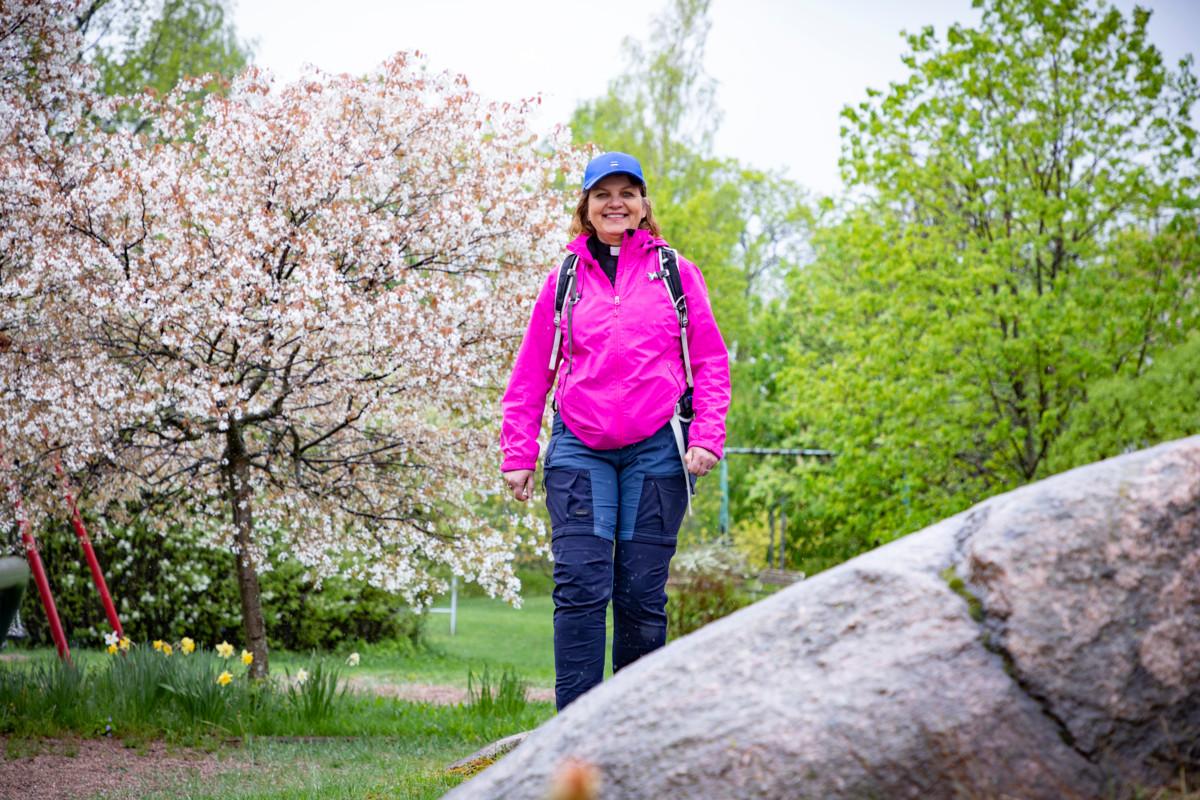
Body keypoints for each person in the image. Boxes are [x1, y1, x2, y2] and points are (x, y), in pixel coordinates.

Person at [500, 151, 730, 711]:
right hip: (580, 447)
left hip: (657, 449)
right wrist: (518, 452)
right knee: (580, 587)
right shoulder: (565, 279)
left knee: (640, 596)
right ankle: (572, 734)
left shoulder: (675, 272)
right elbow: (533, 370)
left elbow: (710, 360)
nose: (615, 202)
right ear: (586, 206)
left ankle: (633, 729)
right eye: (603, 193)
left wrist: (707, 434)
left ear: (643, 205)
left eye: (627, 192)